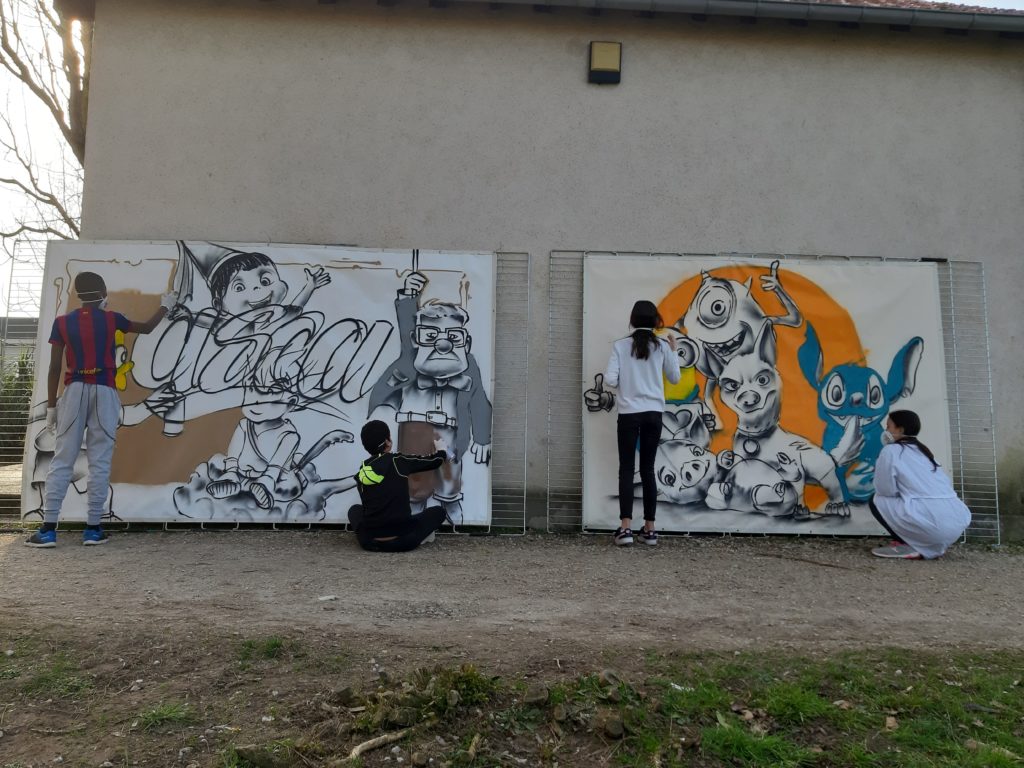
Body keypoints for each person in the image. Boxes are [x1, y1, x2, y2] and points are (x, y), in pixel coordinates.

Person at [26, 272, 171, 547]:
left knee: (62, 459)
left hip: (74, 391)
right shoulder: (112, 319)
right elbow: (147, 328)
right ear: (103, 292)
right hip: (105, 391)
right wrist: (165, 305)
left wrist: (52, 407)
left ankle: (48, 530)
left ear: (79, 294)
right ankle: (93, 529)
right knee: (100, 460)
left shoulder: (62, 323)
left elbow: (55, 368)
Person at [586, 300, 681, 546]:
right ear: (656, 320)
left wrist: (627, 383)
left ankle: (625, 528)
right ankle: (650, 529)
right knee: (648, 469)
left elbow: (610, 379)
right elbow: (674, 377)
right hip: (654, 413)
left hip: (629, 413)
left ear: (632, 320)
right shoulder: (662, 346)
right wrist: (673, 350)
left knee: (627, 469)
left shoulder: (620, 346)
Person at [869, 409, 971, 560]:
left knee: (875, 500)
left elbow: (885, 490)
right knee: (912, 506)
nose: (886, 431)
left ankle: (907, 545)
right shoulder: (924, 452)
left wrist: (901, 494)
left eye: (888, 426)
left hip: (931, 522)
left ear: (900, 429)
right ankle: (931, 546)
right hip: (956, 521)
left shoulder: (890, 451)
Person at [347, 420, 448, 552]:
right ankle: (418, 536)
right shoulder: (398, 461)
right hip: (404, 541)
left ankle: (377, 537)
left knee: (354, 510)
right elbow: (434, 462)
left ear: (365, 446)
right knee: (439, 512)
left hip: (370, 542)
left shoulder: (363, 469)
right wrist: (442, 451)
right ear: (388, 441)